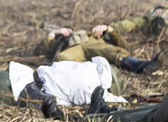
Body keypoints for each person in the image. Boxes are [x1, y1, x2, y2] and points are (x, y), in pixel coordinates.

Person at [37, 8, 167, 74]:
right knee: (62, 58)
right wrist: (54, 34)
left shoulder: (95, 35)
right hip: (75, 49)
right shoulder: (61, 40)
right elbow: (40, 50)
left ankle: (144, 66)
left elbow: (122, 46)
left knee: (115, 54)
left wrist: (108, 29)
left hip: (97, 46)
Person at [84, 87, 168, 122]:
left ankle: (95, 118)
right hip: (159, 111)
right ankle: (106, 111)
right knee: (148, 109)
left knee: (142, 116)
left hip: (157, 121)